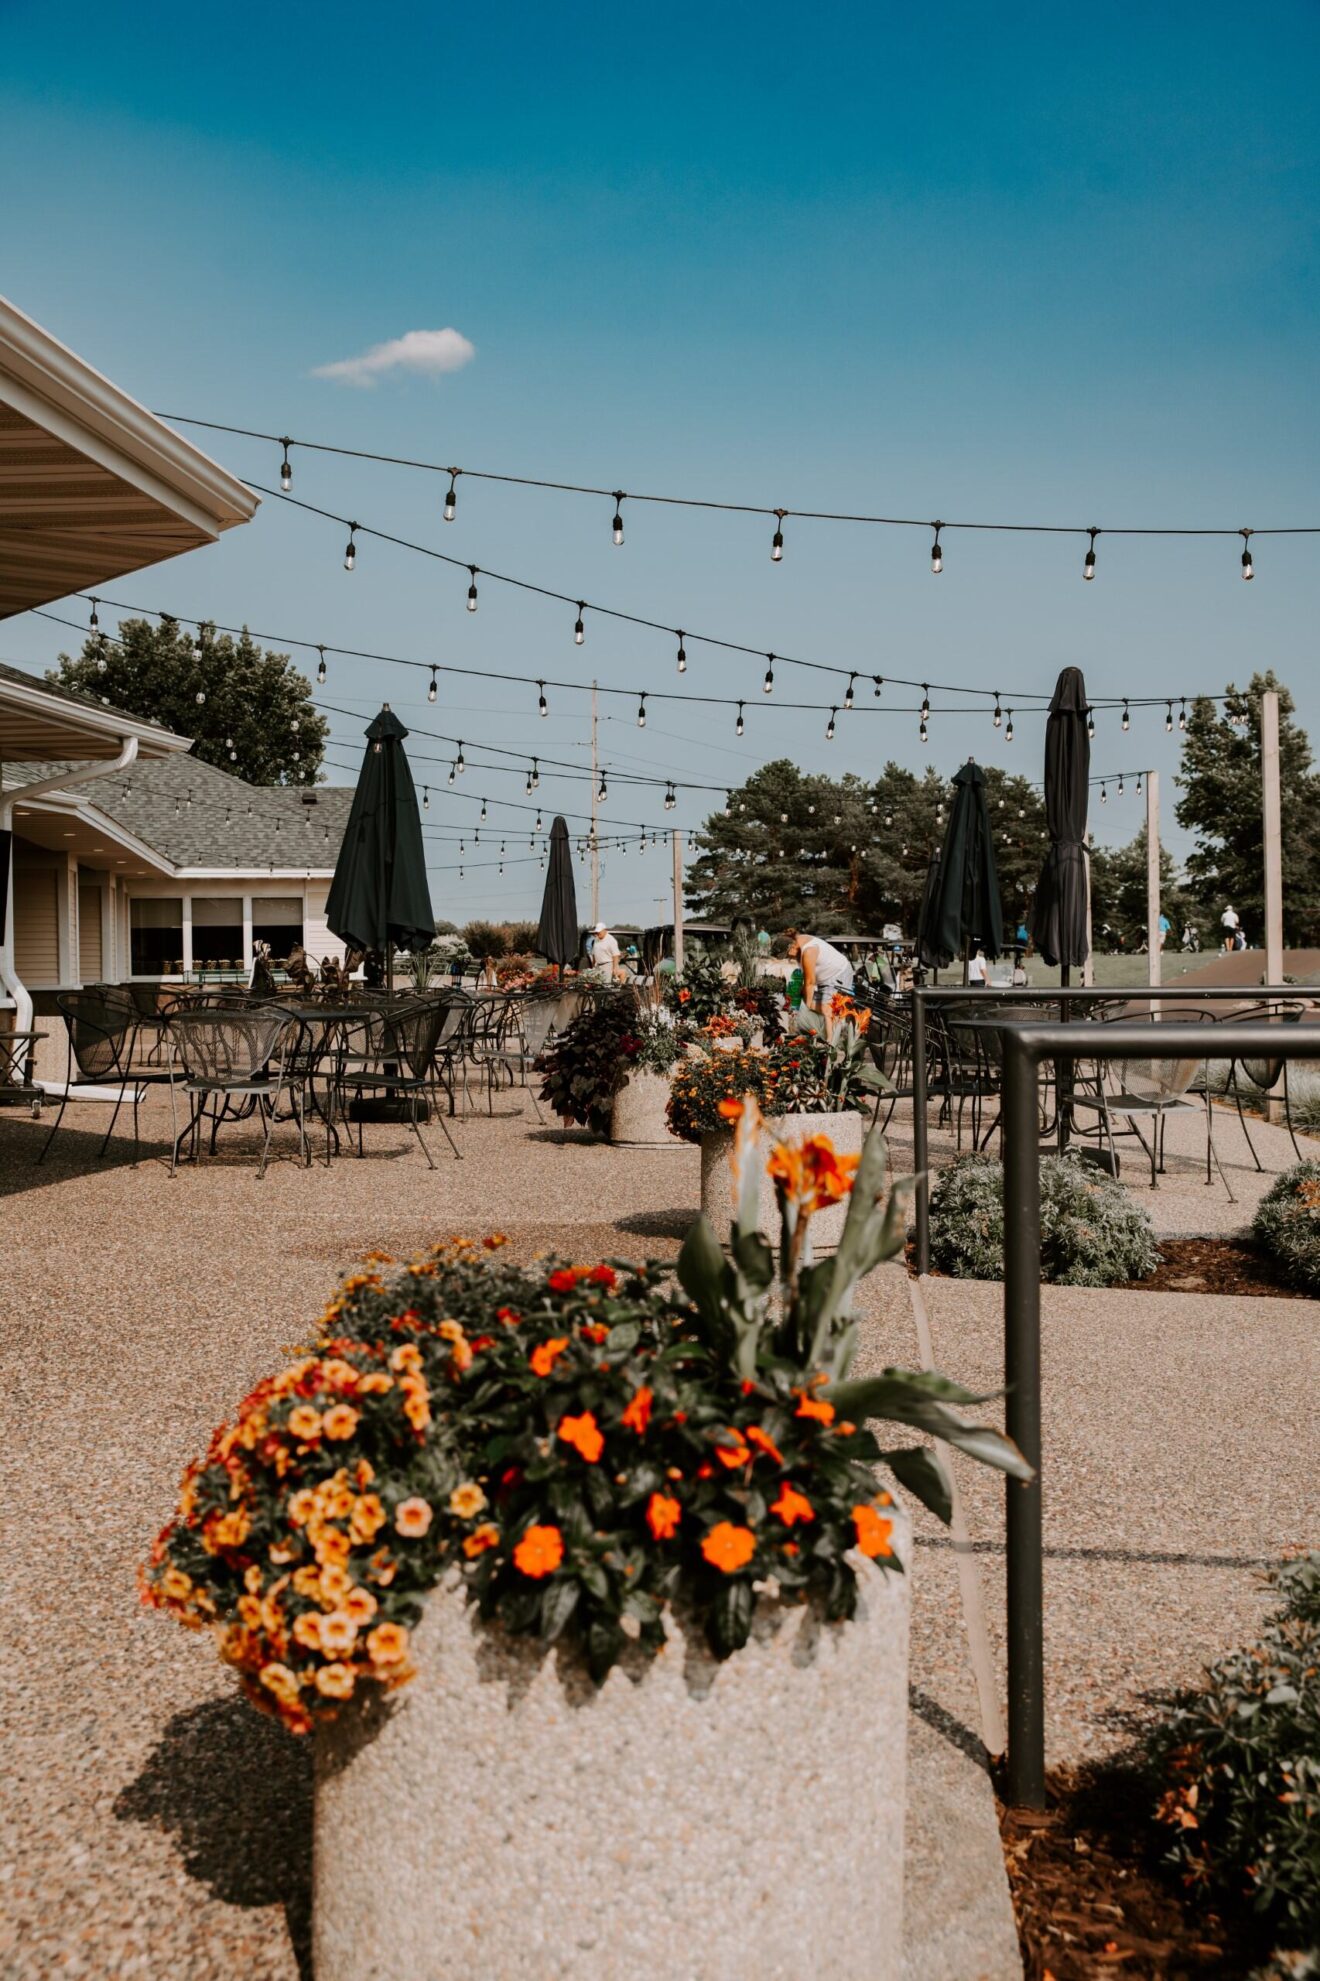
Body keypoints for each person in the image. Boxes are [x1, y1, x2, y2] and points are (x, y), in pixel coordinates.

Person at [785, 929, 854, 1009]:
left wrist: (806, 1008)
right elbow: (806, 981)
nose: (788, 958)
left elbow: (810, 983)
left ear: (792, 947)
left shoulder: (808, 950)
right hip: (825, 981)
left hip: (837, 975)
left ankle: (850, 1011)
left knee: (825, 1008)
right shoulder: (798, 942)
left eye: (787, 955)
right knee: (804, 1000)